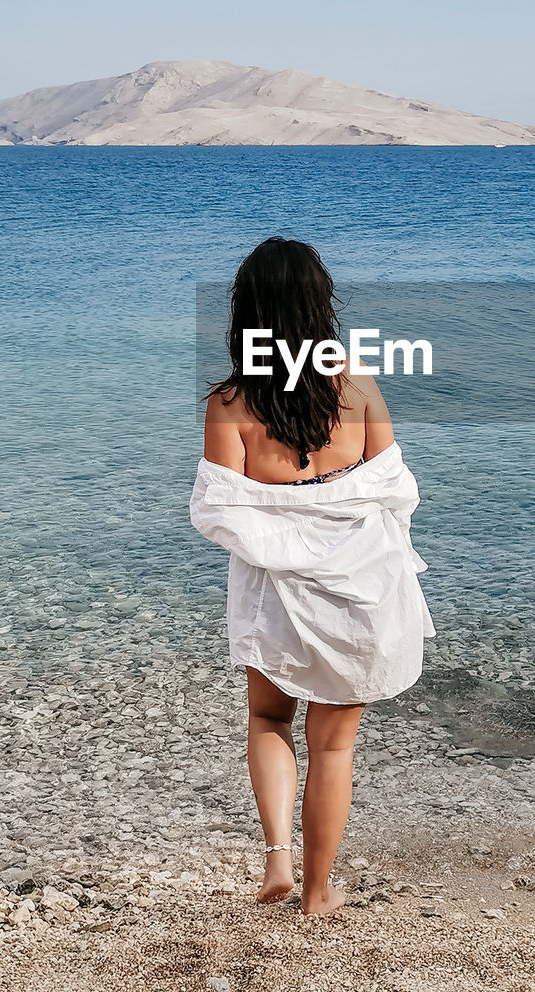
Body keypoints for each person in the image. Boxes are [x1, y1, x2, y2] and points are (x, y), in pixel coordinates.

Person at [189, 237, 435, 915]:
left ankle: (276, 862)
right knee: (333, 746)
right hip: (359, 587)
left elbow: (220, 510)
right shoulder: (354, 384)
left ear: (246, 313)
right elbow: (394, 488)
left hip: (274, 594)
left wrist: (284, 521)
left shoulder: (230, 402)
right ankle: (319, 893)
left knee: (268, 718)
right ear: (318, 305)